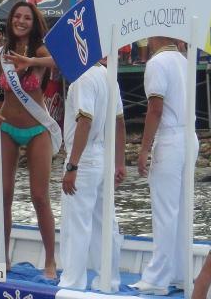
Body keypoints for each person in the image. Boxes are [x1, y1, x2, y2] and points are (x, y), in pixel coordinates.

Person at [0, 1, 61, 278]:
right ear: (10, 21)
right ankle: (2, 259)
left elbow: (58, 60)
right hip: (6, 130)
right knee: (3, 196)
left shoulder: (40, 49)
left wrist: (31, 62)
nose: (21, 21)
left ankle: (50, 260)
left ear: (33, 22)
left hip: (38, 129)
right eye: (17, 16)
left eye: (27, 17)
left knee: (40, 197)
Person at [133, 36, 199, 295]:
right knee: (182, 209)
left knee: (165, 211)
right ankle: (181, 274)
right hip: (189, 137)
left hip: (171, 138)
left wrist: (144, 148)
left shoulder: (157, 63)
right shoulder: (184, 61)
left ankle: (157, 278)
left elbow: (155, 109)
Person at [58, 60, 127, 292]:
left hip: (84, 157)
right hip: (103, 155)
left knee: (76, 224)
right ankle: (110, 281)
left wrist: (72, 166)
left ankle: (72, 283)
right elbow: (119, 121)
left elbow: (84, 121)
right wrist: (119, 162)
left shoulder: (83, 78)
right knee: (104, 222)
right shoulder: (109, 75)